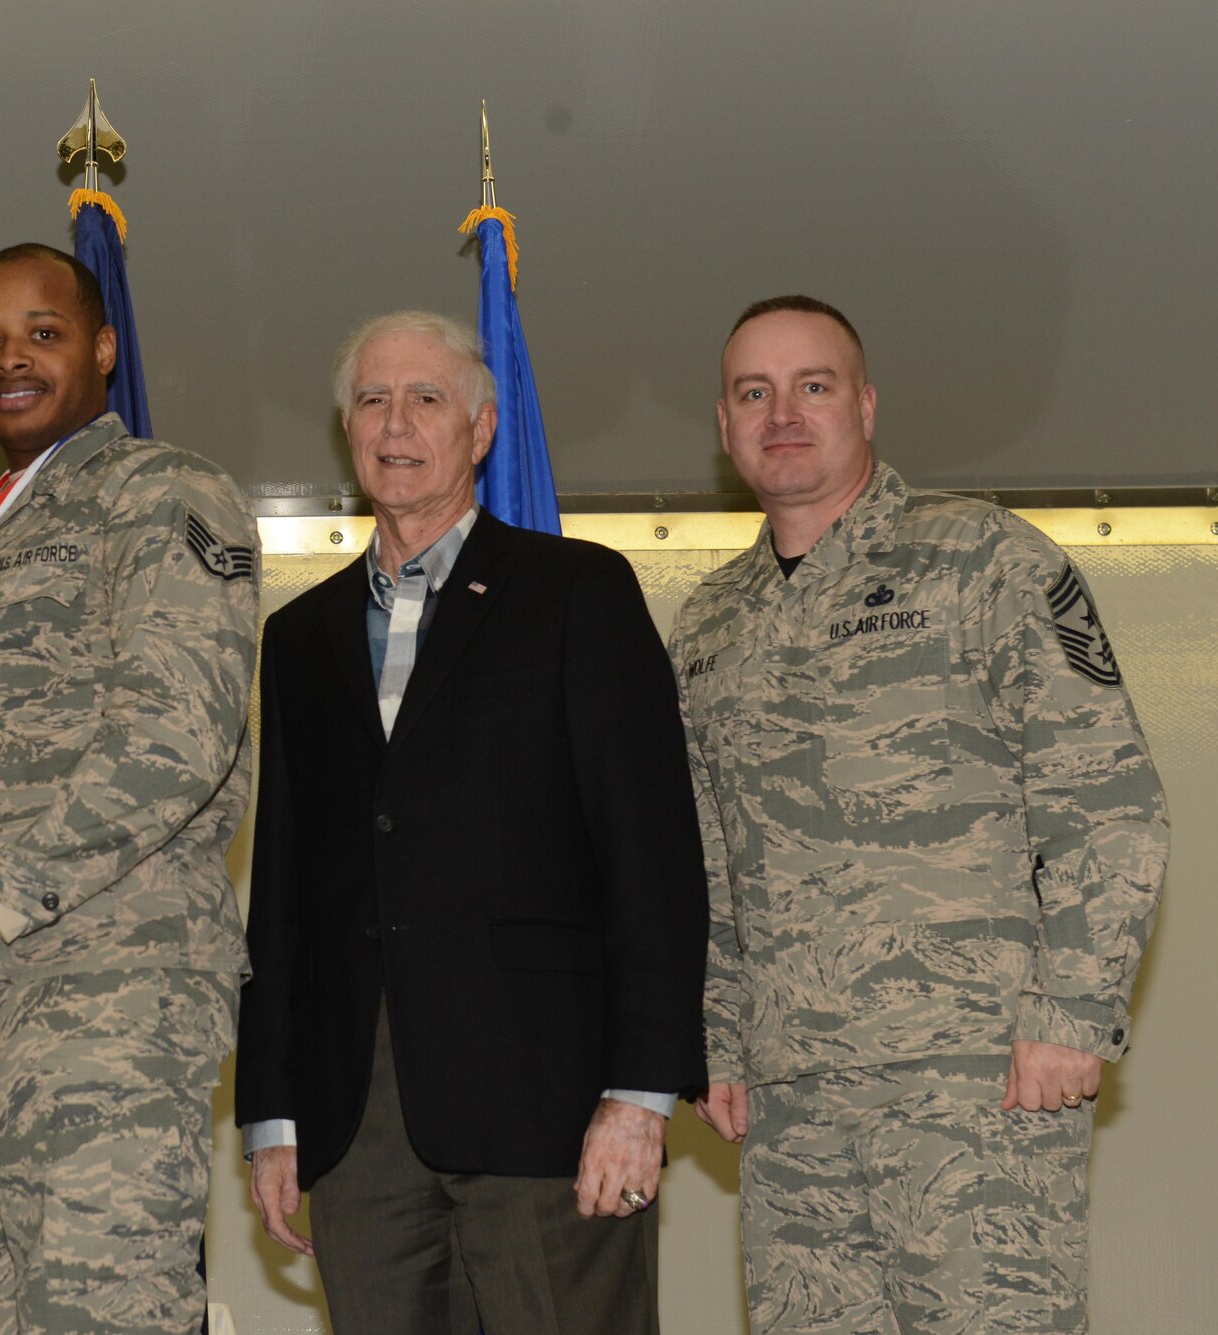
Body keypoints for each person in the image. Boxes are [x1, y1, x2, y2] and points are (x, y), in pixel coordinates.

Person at [675, 295, 1169, 1334]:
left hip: (974, 1075)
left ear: (862, 403)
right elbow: (707, 857)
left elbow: (1105, 798)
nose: (781, 414)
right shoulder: (709, 622)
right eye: (751, 392)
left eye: (811, 386)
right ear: (721, 425)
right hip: (793, 1094)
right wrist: (719, 1041)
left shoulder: (980, 559)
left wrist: (1071, 1015)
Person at [233, 310, 709, 1335]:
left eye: (425, 398)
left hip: (547, 1102)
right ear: (346, 430)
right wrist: (271, 1113)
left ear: (482, 429)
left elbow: (652, 856)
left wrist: (639, 1094)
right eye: (371, 399)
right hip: (354, 1121)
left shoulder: (575, 590)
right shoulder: (297, 635)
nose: (394, 423)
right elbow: (280, 889)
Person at [0, 243, 260, 1335]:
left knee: (101, 1313)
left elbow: (178, 734)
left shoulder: (162, 493)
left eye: (43, 332)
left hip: (106, 992)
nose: (9, 361)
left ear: (104, 349)